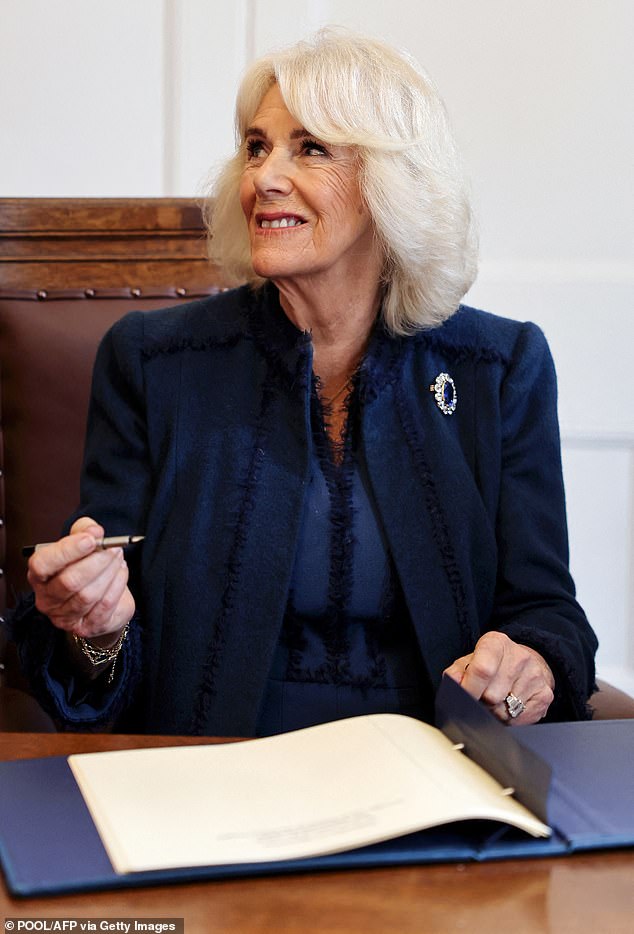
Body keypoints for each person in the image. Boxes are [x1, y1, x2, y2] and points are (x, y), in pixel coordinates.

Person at [10, 29, 597, 736]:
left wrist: (530, 665)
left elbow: (546, 612)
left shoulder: (499, 368)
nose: (262, 178)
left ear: (392, 182)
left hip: (437, 785)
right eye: (257, 146)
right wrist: (95, 629)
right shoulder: (151, 363)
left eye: (310, 147)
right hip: (216, 784)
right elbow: (102, 656)